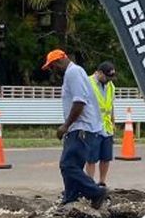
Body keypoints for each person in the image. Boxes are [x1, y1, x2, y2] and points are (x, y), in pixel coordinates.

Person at [43, 49, 107, 208]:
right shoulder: (73, 73)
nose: (52, 71)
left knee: (68, 165)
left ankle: (95, 191)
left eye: (52, 67)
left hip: (81, 127)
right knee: (72, 166)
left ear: (57, 63)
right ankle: (70, 199)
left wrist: (66, 126)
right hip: (80, 128)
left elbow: (79, 102)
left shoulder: (73, 73)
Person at [85, 61, 117, 187]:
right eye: (107, 77)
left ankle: (102, 182)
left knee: (106, 157)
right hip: (92, 126)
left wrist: (113, 122)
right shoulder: (88, 83)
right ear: (99, 73)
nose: (109, 80)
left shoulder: (110, 86)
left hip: (107, 126)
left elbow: (111, 106)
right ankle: (90, 182)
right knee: (91, 158)